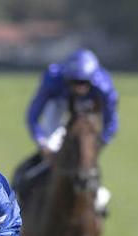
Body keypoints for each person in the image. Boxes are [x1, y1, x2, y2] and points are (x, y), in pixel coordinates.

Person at [18, 48, 117, 215]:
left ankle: (97, 194)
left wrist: (98, 144)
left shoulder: (104, 87)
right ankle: (25, 184)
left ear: (92, 80)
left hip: (88, 112)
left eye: (84, 83)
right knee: (53, 147)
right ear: (66, 78)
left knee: (84, 155)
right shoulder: (52, 80)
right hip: (59, 106)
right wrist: (42, 143)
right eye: (75, 82)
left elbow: (111, 123)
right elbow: (33, 116)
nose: (79, 88)